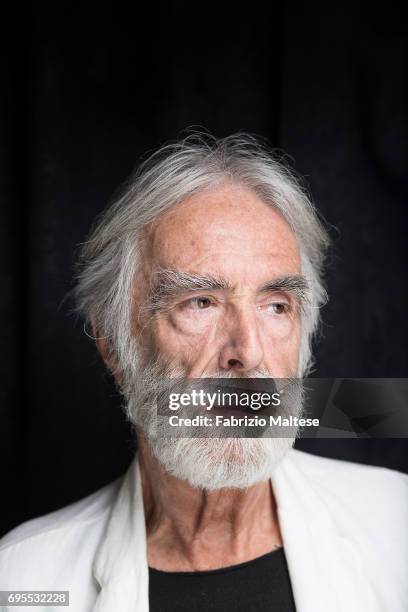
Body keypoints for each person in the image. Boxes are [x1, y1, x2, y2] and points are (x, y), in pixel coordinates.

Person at [1, 134, 407, 611]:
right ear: (114, 346)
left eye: (277, 306)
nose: (249, 353)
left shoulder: (395, 523)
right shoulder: (21, 580)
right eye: (200, 302)